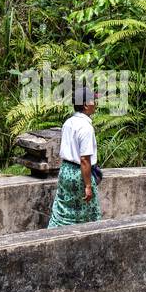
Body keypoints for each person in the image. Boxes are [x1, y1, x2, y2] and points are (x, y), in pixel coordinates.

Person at [48, 87, 101, 227]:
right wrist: (88, 185)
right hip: (79, 174)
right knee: (87, 213)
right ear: (85, 105)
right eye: (93, 100)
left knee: (62, 211)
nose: (95, 102)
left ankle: (52, 235)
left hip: (65, 171)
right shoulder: (86, 127)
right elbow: (84, 159)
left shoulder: (68, 123)